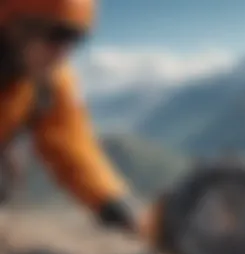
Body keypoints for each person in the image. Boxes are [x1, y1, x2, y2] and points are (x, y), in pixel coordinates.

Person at [0, 0, 141, 234]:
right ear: (15, 25)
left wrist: (110, 200)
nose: (63, 51)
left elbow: (68, 141)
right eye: (57, 35)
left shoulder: (48, 80)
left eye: (75, 39)